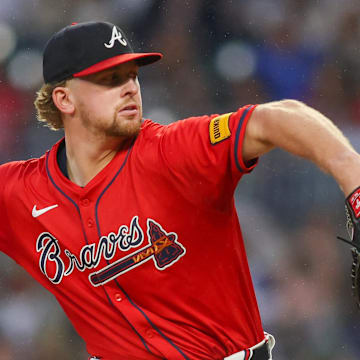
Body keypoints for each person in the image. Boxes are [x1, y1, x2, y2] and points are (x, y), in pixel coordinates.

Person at [0, 20, 359, 360]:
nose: (129, 87)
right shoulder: (20, 193)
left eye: (132, 75)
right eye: (110, 79)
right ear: (64, 100)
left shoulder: (174, 151)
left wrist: (351, 172)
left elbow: (276, 118)